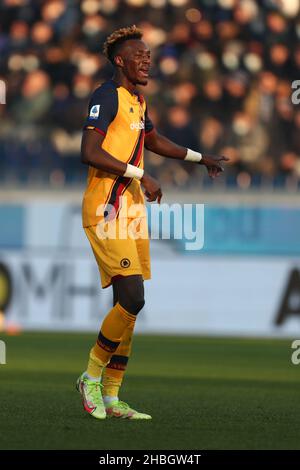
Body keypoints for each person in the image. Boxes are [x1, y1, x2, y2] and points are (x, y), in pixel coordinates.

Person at [77, 25, 228, 420]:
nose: (147, 61)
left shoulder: (138, 101)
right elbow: (88, 151)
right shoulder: (105, 96)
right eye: (139, 56)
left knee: (128, 304)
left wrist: (201, 158)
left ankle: (112, 397)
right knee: (133, 298)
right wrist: (140, 175)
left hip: (130, 211)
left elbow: (155, 141)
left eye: (149, 55)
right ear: (120, 61)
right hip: (105, 209)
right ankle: (90, 377)